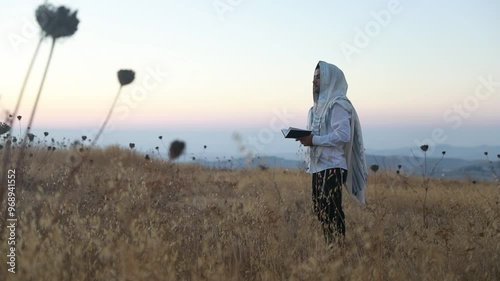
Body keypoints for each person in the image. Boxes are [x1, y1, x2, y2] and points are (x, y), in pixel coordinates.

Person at [297, 61, 368, 245]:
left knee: (332, 210)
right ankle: (331, 248)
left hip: (333, 166)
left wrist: (313, 140)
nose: (315, 81)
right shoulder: (315, 110)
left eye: (319, 77)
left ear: (331, 79)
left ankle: (338, 249)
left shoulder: (338, 104)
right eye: (314, 78)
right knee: (320, 209)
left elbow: (343, 135)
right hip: (319, 166)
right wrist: (307, 138)